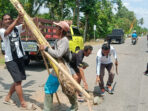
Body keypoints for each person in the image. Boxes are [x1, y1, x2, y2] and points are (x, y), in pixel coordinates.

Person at [39, 21, 78, 111]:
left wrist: (46, 48)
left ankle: (74, 106)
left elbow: (58, 54)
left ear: (61, 30)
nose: (55, 29)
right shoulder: (58, 40)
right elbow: (54, 51)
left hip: (63, 67)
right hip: (57, 66)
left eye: (57, 28)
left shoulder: (65, 41)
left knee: (67, 88)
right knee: (49, 86)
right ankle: (47, 109)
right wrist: (46, 49)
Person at [0, 13, 35, 109]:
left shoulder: (17, 28)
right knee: (18, 81)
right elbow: (7, 32)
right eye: (5, 19)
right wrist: (16, 20)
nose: (7, 20)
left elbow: (25, 26)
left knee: (18, 80)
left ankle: (7, 98)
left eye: (9, 19)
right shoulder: (2, 31)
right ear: (3, 21)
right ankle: (23, 103)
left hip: (19, 57)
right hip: (11, 59)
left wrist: (25, 18)